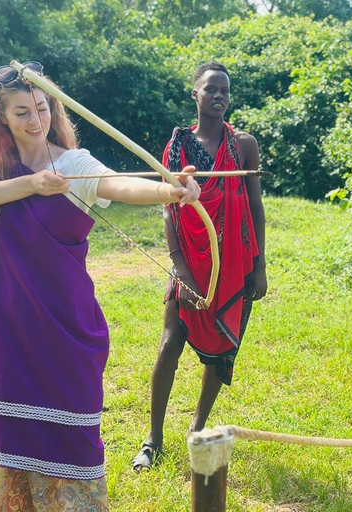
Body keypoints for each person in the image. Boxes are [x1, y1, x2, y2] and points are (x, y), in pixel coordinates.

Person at [0, 61, 200, 511]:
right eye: (21, 111)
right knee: (7, 439)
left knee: (72, 441)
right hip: (4, 325)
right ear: (1, 117)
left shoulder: (73, 163)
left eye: (42, 108)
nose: (35, 121)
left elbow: (119, 184)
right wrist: (32, 184)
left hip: (64, 325)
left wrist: (171, 191)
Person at [132, 62, 267, 472]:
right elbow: (169, 210)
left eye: (225, 90)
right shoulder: (178, 145)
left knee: (222, 355)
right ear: (195, 94)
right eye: (211, 89)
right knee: (170, 342)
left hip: (234, 264)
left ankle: (197, 427)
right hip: (190, 261)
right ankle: (153, 438)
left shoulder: (244, 145)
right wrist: (181, 271)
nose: (219, 96)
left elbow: (256, 206)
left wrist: (259, 266)